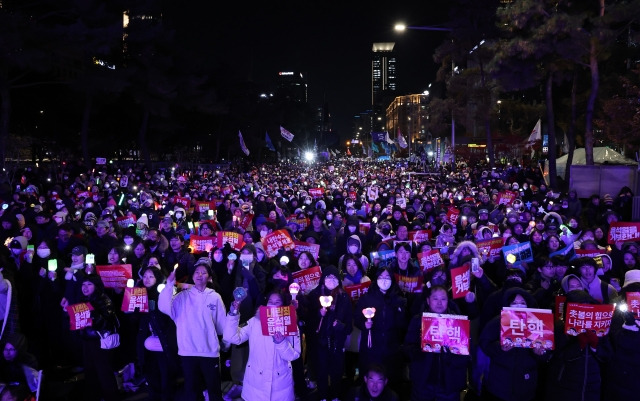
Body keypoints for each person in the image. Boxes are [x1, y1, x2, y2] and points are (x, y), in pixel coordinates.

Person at [158, 257, 227, 401]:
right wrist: (169, 285)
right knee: (192, 390)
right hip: (188, 351)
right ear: (193, 275)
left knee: (214, 389)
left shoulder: (215, 297)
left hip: (209, 352)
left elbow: (221, 326)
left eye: (203, 273)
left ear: (209, 278)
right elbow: (164, 307)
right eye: (197, 272)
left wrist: (222, 342)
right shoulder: (182, 296)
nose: (199, 275)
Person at [223, 291, 301, 401]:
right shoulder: (255, 321)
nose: (273, 305)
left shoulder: (290, 325)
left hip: (280, 384)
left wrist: (281, 343)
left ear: (283, 306)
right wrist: (233, 313)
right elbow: (231, 337)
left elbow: (293, 355)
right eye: (270, 301)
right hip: (255, 383)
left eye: (277, 302)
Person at [479, 287, 548, 401]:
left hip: (526, 384)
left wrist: (539, 353)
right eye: (514, 303)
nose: (519, 306)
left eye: (522, 303)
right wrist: (500, 348)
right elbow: (484, 343)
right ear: (508, 305)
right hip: (500, 383)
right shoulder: (497, 321)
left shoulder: (537, 324)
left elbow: (546, 354)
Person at [404, 286, 469, 401]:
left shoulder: (458, 322)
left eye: (443, 299)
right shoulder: (418, 320)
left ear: (448, 301)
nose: (439, 303)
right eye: (435, 299)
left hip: (449, 385)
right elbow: (407, 350)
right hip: (423, 383)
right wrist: (421, 347)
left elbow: (467, 356)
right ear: (428, 301)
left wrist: (452, 354)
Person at [74, 274, 120, 401]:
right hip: (87, 340)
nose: (85, 287)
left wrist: (92, 314)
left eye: (89, 284)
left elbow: (107, 323)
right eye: (83, 284)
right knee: (90, 371)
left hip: (100, 341)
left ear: (96, 285)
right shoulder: (83, 299)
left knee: (104, 372)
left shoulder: (104, 300)